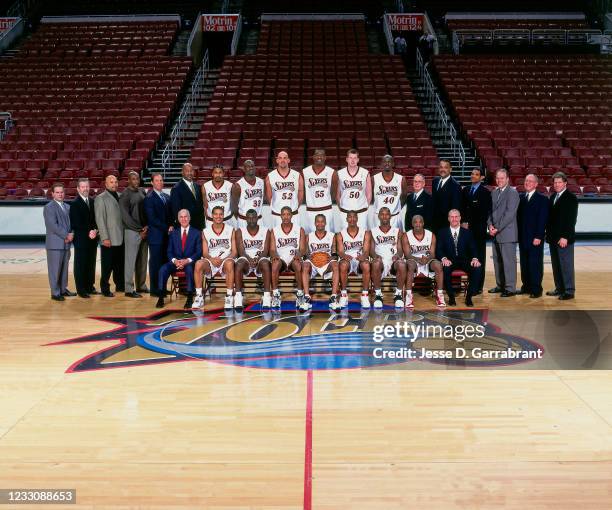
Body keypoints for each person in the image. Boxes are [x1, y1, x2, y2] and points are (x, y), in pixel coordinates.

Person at [156, 209, 202, 309]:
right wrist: (175, 261)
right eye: (181, 217)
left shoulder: (197, 233)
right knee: (163, 269)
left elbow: (199, 252)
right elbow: (169, 251)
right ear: (178, 219)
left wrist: (187, 260)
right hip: (175, 262)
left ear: (189, 218)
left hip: (189, 262)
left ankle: (190, 297)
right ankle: (161, 297)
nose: (183, 219)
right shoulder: (173, 233)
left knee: (189, 269)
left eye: (186, 217)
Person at [193, 206, 237, 311]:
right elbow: (205, 252)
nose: (218, 216)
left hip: (225, 259)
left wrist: (223, 260)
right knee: (198, 264)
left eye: (220, 214)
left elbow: (234, 252)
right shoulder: (206, 231)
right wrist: (212, 259)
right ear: (212, 216)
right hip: (211, 260)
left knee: (230, 263)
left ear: (223, 216)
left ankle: (229, 296)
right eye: (216, 214)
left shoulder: (231, 230)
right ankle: (199, 296)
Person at [436, 209, 482, 307]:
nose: (454, 219)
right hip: (450, 261)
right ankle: (451, 297)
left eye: (456, 216)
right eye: (452, 217)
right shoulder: (442, 232)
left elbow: (473, 247)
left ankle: (469, 297)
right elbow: (438, 249)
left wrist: (475, 258)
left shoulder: (467, 232)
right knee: (445, 268)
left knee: (477, 268)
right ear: (448, 218)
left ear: (460, 218)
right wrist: (444, 258)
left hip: (464, 261)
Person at [546, 172, 578, 300]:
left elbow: (571, 220)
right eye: (555, 182)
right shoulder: (553, 196)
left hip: (564, 238)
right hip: (553, 238)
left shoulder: (571, 198)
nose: (557, 184)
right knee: (556, 265)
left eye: (559, 182)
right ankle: (559, 288)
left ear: (565, 183)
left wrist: (565, 236)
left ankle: (569, 291)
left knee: (566, 265)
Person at [487, 169, 520, 297]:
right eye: (497, 178)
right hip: (495, 232)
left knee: (508, 262)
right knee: (498, 261)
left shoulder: (512, 193)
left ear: (507, 179)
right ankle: (500, 285)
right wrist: (490, 225)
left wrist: (497, 228)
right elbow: (489, 211)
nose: (499, 180)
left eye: (502, 178)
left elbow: (509, 214)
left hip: (507, 233)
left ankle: (510, 288)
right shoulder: (494, 193)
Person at [269, 206, 307, 310]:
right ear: (280, 216)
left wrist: (298, 255)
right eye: (284, 214)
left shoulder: (299, 229)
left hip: (293, 257)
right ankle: (276, 295)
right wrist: (274, 255)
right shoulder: (275, 230)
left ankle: (300, 295)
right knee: (275, 263)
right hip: (281, 258)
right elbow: (272, 249)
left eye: (288, 214)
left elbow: (303, 249)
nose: (286, 217)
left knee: (298, 264)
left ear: (291, 215)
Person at [403, 215, 445, 308]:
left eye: (420, 222)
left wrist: (427, 259)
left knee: (438, 265)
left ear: (423, 223)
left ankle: (440, 295)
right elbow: (407, 255)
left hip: (427, 259)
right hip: (413, 260)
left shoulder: (431, 235)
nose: (418, 224)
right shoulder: (406, 235)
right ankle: (409, 296)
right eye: (415, 222)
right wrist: (418, 259)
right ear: (412, 224)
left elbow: (433, 254)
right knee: (410, 265)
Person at [460, 167, 492, 293]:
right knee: (468, 258)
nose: (473, 176)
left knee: (479, 258)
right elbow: (462, 208)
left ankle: (478, 286)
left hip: (478, 230)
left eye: (476, 174)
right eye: (472, 174)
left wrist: (470, 223)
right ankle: (469, 283)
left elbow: (484, 213)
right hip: (465, 230)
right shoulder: (466, 190)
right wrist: (463, 222)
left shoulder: (485, 192)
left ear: (481, 177)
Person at [517, 174, 549, 298]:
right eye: (526, 181)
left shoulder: (542, 199)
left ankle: (536, 289)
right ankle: (526, 287)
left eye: (531, 181)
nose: (528, 183)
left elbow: (542, 220)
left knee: (535, 264)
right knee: (524, 263)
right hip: (523, 237)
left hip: (535, 238)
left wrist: (539, 236)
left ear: (536, 184)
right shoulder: (521, 198)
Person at [234, 209, 272, 309]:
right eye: (249, 218)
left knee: (265, 263)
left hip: (260, 259)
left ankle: (267, 296)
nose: (251, 220)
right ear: (246, 219)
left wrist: (257, 258)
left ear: (257, 218)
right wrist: (250, 259)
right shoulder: (240, 231)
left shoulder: (265, 231)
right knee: (238, 264)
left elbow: (266, 251)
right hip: (246, 259)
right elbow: (241, 251)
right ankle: (238, 296)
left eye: (253, 217)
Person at [302, 214, 340, 311]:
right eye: (318, 221)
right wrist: (309, 257)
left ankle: (333, 297)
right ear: (315, 223)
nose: (320, 223)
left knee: (335, 264)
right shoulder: (308, 236)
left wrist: (331, 257)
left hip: (327, 262)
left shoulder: (332, 235)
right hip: (313, 262)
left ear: (325, 223)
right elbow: (305, 253)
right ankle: (306, 297)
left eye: (322, 221)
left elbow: (335, 253)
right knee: (305, 265)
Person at [144, 172, 173, 298]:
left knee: (164, 263)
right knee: (155, 264)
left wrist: (171, 225)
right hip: (156, 237)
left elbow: (170, 215)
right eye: (157, 180)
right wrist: (167, 227)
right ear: (152, 182)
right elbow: (152, 219)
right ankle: (155, 289)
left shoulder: (166, 197)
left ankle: (162, 287)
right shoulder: (149, 198)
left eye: (161, 180)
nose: (160, 182)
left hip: (167, 237)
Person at [95, 174, 125, 297]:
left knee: (119, 265)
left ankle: (120, 285)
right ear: (106, 184)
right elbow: (100, 219)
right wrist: (104, 237)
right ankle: (105, 288)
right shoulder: (100, 198)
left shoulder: (120, 196)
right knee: (107, 266)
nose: (114, 184)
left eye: (116, 182)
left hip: (120, 237)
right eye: (111, 182)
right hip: (109, 239)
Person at [370, 207, 406, 309]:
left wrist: (397, 255)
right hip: (380, 260)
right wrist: (376, 256)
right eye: (382, 214)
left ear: (390, 216)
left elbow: (400, 250)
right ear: (378, 216)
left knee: (402, 264)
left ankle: (398, 295)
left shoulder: (397, 231)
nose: (384, 216)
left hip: (393, 259)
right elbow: (371, 250)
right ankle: (378, 294)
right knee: (376, 263)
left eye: (386, 214)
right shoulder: (373, 231)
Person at [119, 171, 148, 298]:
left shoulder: (142, 191)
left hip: (144, 231)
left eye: (137, 179)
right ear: (128, 180)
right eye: (133, 179)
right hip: (132, 231)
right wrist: (139, 229)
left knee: (142, 260)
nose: (136, 181)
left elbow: (146, 210)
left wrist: (146, 227)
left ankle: (141, 285)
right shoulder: (125, 195)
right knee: (130, 261)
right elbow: (125, 217)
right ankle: (129, 289)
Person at [44, 183, 74, 301]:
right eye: (57, 192)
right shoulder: (49, 207)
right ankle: (55, 293)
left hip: (66, 243)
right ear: (52, 194)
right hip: (55, 244)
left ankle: (62, 289)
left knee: (64, 269)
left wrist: (71, 234)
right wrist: (66, 235)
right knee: (55, 270)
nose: (60, 194)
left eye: (61, 192)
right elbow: (52, 226)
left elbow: (71, 224)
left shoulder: (67, 206)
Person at [336, 211, 372, 309]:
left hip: (359, 259)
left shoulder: (365, 233)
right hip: (347, 259)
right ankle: (344, 295)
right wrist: (344, 255)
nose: (352, 219)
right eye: (350, 217)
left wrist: (364, 256)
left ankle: (364, 295)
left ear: (357, 218)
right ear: (346, 219)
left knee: (366, 265)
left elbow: (366, 251)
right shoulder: (340, 234)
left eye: (354, 217)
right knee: (343, 265)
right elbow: (340, 251)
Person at [69, 178, 98, 298]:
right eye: (82, 187)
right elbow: (76, 223)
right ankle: (81, 290)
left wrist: (95, 230)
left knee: (91, 263)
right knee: (81, 264)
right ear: (78, 189)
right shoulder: (75, 204)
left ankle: (90, 286)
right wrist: (89, 231)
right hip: (81, 239)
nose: (85, 188)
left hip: (93, 238)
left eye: (87, 186)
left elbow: (96, 219)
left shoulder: (92, 201)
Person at [265, 151, 304, 228]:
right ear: (277, 160)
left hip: (293, 214)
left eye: (285, 158)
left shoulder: (297, 175)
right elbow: (269, 197)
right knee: (277, 238)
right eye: (280, 158)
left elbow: (300, 194)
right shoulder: (270, 176)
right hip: (277, 215)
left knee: (295, 238)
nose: (282, 160)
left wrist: (295, 207)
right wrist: (275, 208)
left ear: (288, 160)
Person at [302, 149, 337, 233]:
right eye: (317, 155)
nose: (319, 157)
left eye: (322, 155)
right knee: (311, 236)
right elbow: (302, 190)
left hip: (326, 209)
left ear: (325, 158)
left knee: (328, 235)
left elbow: (334, 191)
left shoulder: (332, 172)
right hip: (311, 209)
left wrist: (327, 200)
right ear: (313, 157)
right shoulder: (305, 172)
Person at [337, 149, 372, 229]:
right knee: (345, 237)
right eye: (350, 158)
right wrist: (341, 207)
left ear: (358, 160)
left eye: (355, 158)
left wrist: (366, 207)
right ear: (347, 159)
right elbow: (337, 194)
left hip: (361, 211)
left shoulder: (365, 173)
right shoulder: (340, 173)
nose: (353, 160)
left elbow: (369, 193)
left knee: (362, 236)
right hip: (345, 211)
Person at [372, 155, 408, 230]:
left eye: (389, 162)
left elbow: (404, 196)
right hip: (379, 217)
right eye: (385, 162)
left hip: (394, 216)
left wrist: (397, 208)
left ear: (393, 164)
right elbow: (371, 197)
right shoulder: (374, 178)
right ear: (381, 164)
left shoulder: (401, 179)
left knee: (397, 240)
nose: (387, 164)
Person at [170, 162, 205, 230]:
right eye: (187, 171)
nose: (189, 173)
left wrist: (202, 226)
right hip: (185, 227)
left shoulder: (198, 187)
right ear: (182, 172)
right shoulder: (176, 189)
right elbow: (176, 211)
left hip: (198, 226)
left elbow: (201, 208)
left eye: (191, 171)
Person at [231, 159, 264, 229]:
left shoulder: (261, 182)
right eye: (248, 166)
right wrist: (241, 218)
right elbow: (234, 206)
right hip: (244, 220)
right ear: (244, 169)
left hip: (259, 219)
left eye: (252, 166)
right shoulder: (238, 185)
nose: (251, 168)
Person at [432, 159, 461, 235]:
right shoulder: (435, 181)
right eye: (441, 167)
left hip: (446, 225)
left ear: (450, 169)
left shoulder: (455, 186)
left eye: (445, 167)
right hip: (434, 224)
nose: (442, 170)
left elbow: (455, 207)